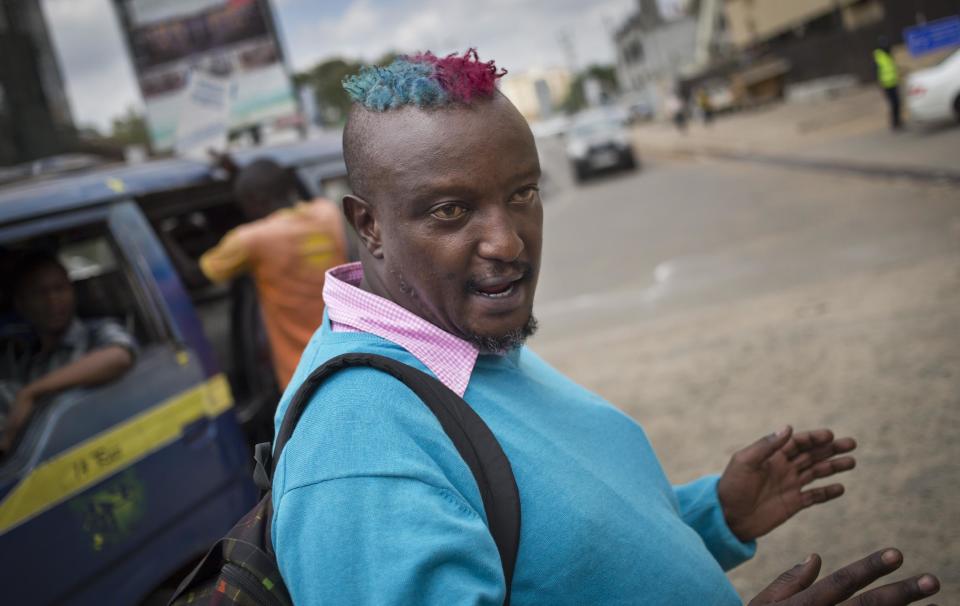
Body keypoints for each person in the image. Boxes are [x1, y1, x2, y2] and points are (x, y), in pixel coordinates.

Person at [270, 50, 940, 605]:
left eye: (523, 193)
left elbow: (562, 564)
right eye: (451, 210)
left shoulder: (458, 347)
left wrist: (712, 516)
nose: (507, 241)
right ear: (369, 226)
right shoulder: (357, 456)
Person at [198, 158, 348, 389]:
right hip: (348, 354)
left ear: (253, 202)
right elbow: (281, 186)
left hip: (303, 376)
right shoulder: (327, 213)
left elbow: (199, 274)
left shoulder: (251, 240)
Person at [0, 253, 136, 451]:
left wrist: (32, 393)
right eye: (40, 293)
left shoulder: (96, 332)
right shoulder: (19, 356)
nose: (53, 300)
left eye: (60, 289)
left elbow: (119, 356)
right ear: (21, 304)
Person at [874, 36, 902, 130]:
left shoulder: (889, 54)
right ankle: (895, 123)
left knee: (897, 103)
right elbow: (876, 71)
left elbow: (892, 68)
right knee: (893, 104)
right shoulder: (879, 56)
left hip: (893, 82)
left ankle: (898, 121)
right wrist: (880, 84)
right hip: (886, 84)